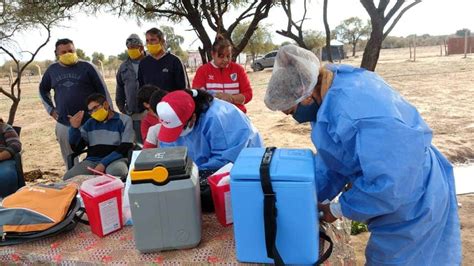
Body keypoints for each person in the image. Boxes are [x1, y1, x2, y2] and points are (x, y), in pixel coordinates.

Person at [264, 44, 461, 265]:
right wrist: (306, 195)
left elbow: (390, 184)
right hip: (400, 182)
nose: (293, 117)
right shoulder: (328, 90)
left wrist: (338, 208)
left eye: (291, 111)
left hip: (414, 196)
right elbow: (336, 161)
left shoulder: (355, 113)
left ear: (305, 94)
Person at [39, 38, 113, 168]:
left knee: (98, 153)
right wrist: (51, 110)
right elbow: (42, 90)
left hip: (92, 120)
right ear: (56, 53)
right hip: (65, 121)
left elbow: (103, 91)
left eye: (70, 50)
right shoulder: (52, 70)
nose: (68, 54)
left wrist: (109, 113)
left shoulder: (88, 67)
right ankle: (73, 180)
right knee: (70, 157)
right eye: (63, 52)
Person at [156, 89, 263, 171]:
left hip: (243, 166)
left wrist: (195, 174)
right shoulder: (171, 115)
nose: (179, 135)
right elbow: (168, 149)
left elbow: (225, 161)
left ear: (193, 117)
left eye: (180, 129)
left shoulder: (217, 118)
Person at [63, 93, 134, 180]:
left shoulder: (124, 120)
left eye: (95, 108)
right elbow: (77, 148)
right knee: (68, 178)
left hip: (116, 159)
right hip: (92, 161)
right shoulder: (90, 123)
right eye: (90, 111)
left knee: (116, 172)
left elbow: (126, 146)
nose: (93, 113)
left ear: (106, 104)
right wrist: (74, 129)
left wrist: (103, 163)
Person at [192, 35, 253, 113]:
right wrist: (214, 97)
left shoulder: (238, 70)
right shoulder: (203, 71)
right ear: (213, 54)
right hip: (213, 117)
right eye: (221, 56)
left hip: (237, 115)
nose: (225, 60)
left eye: (228, 56)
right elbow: (197, 95)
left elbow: (248, 94)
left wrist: (231, 98)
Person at [116, 34, 147, 144]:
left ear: (141, 48)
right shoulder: (123, 67)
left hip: (150, 112)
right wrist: (121, 107)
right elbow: (120, 88)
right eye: (129, 48)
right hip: (133, 113)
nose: (131, 50)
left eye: (134, 48)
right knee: (138, 144)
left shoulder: (151, 62)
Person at [138, 27, 188, 91]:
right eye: (147, 40)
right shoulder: (143, 63)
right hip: (150, 101)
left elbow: (182, 88)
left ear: (162, 41)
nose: (149, 43)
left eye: (153, 40)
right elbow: (141, 88)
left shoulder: (174, 61)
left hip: (170, 100)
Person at [0, 118, 22, 198]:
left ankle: (8, 204)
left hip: (4, 160)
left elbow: (16, 145)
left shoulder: (4, 127)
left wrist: (1, 156)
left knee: (5, 175)